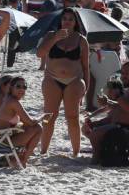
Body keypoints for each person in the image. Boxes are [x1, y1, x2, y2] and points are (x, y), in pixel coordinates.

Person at [38, 9, 91, 158]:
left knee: (72, 117)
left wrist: (86, 89)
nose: (67, 22)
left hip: (74, 81)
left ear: (75, 23)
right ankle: (43, 150)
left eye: (70, 19)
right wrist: (55, 39)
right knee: (49, 116)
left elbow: (86, 67)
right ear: (60, 21)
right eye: (65, 19)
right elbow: (39, 53)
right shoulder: (50, 35)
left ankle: (76, 152)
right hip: (52, 79)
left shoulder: (81, 40)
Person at [0, 76, 44, 165]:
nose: (22, 89)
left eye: (24, 87)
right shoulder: (13, 102)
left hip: (1, 137)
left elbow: (26, 121)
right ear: (11, 87)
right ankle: (23, 159)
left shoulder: (8, 98)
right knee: (38, 128)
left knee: (31, 127)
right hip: (3, 140)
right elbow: (31, 122)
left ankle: (20, 157)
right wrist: (43, 117)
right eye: (18, 86)